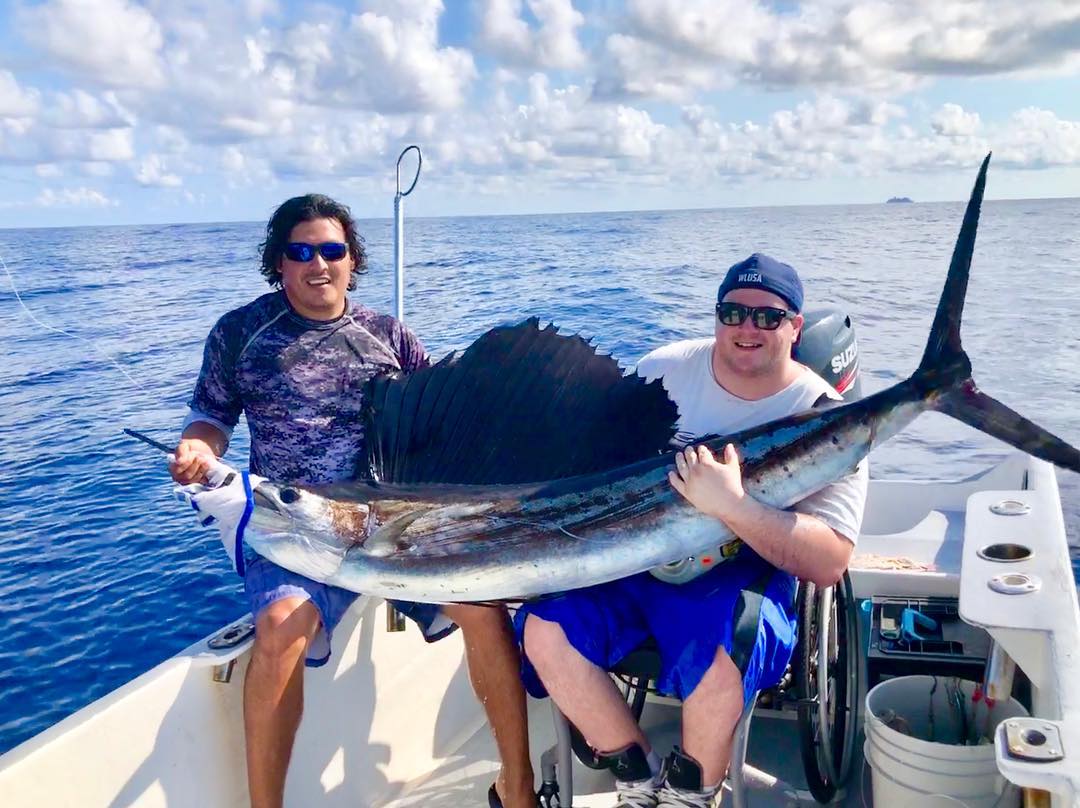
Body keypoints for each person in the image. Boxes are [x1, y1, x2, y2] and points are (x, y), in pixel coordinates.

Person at [169, 194, 535, 808]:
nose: (318, 264)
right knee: (281, 628)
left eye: (332, 250)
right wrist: (196, 451)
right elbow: (209, 420)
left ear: (351, 259)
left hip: (394, 525)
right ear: (278, 263)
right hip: (296, 526)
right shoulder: (240, 334)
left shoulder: (388, 335)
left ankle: (518, 789)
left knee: (483, 607)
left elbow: (438, 428)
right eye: (301, 251)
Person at [518, 253, 868, 808]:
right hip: (636, 558)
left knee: (727, 648)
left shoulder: (824, 416)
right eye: (732, 313)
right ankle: (636, 774)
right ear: (716, 317)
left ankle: (692, 794)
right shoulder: (665, 370)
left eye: (767, 317)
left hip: (739, 569)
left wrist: (731, 505)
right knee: (544, 630)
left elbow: (828, 562)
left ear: (795, 327)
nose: (746, 328)